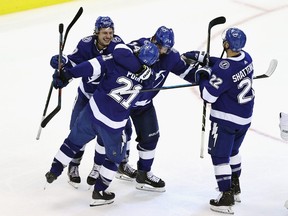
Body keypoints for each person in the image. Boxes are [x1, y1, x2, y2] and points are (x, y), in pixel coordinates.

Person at [45, 42, 160, 206]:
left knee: (73, 141)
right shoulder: (148, 82)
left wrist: (67, 74)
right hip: (113, 125)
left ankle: (54, 170)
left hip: (91, 113)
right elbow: (140, 102)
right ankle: (99, 191)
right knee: (115, 159)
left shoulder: (116, 60)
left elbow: (92, 66)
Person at [88, 26, 200, 192]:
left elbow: (187, 73)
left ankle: (144, 174)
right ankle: (110, 166)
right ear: (154, 39)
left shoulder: (171, 56)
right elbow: (119, 56)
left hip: (144, 105)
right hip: (123, 102)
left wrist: (204, 74)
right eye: (161, 46)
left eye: (167, 48)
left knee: (151, 136)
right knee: (115, 137)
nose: (163, 51)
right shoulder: (140, 46)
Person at [49, 16, 136, 188]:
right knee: (77, 130)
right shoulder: (85, 44)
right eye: (104, 32)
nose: (108, 36)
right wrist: (61, 69)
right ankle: (73, 165)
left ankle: (106, 165)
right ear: (96, 32)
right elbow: (72, 64)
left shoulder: (117, 45)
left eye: (111, 32)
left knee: (114, 133)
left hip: (107, 101)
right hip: (86, 96)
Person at [186, 27, 254, 214]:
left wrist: (203, 76)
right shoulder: (247, 58)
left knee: (219, 156)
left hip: (226, 119)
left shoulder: (224, 70)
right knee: (233, 151)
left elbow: (208, 95)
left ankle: (225, 196)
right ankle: (235, 186)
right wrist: (206, 59)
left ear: (226, 44)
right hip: (244, 118)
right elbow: (226, 65)